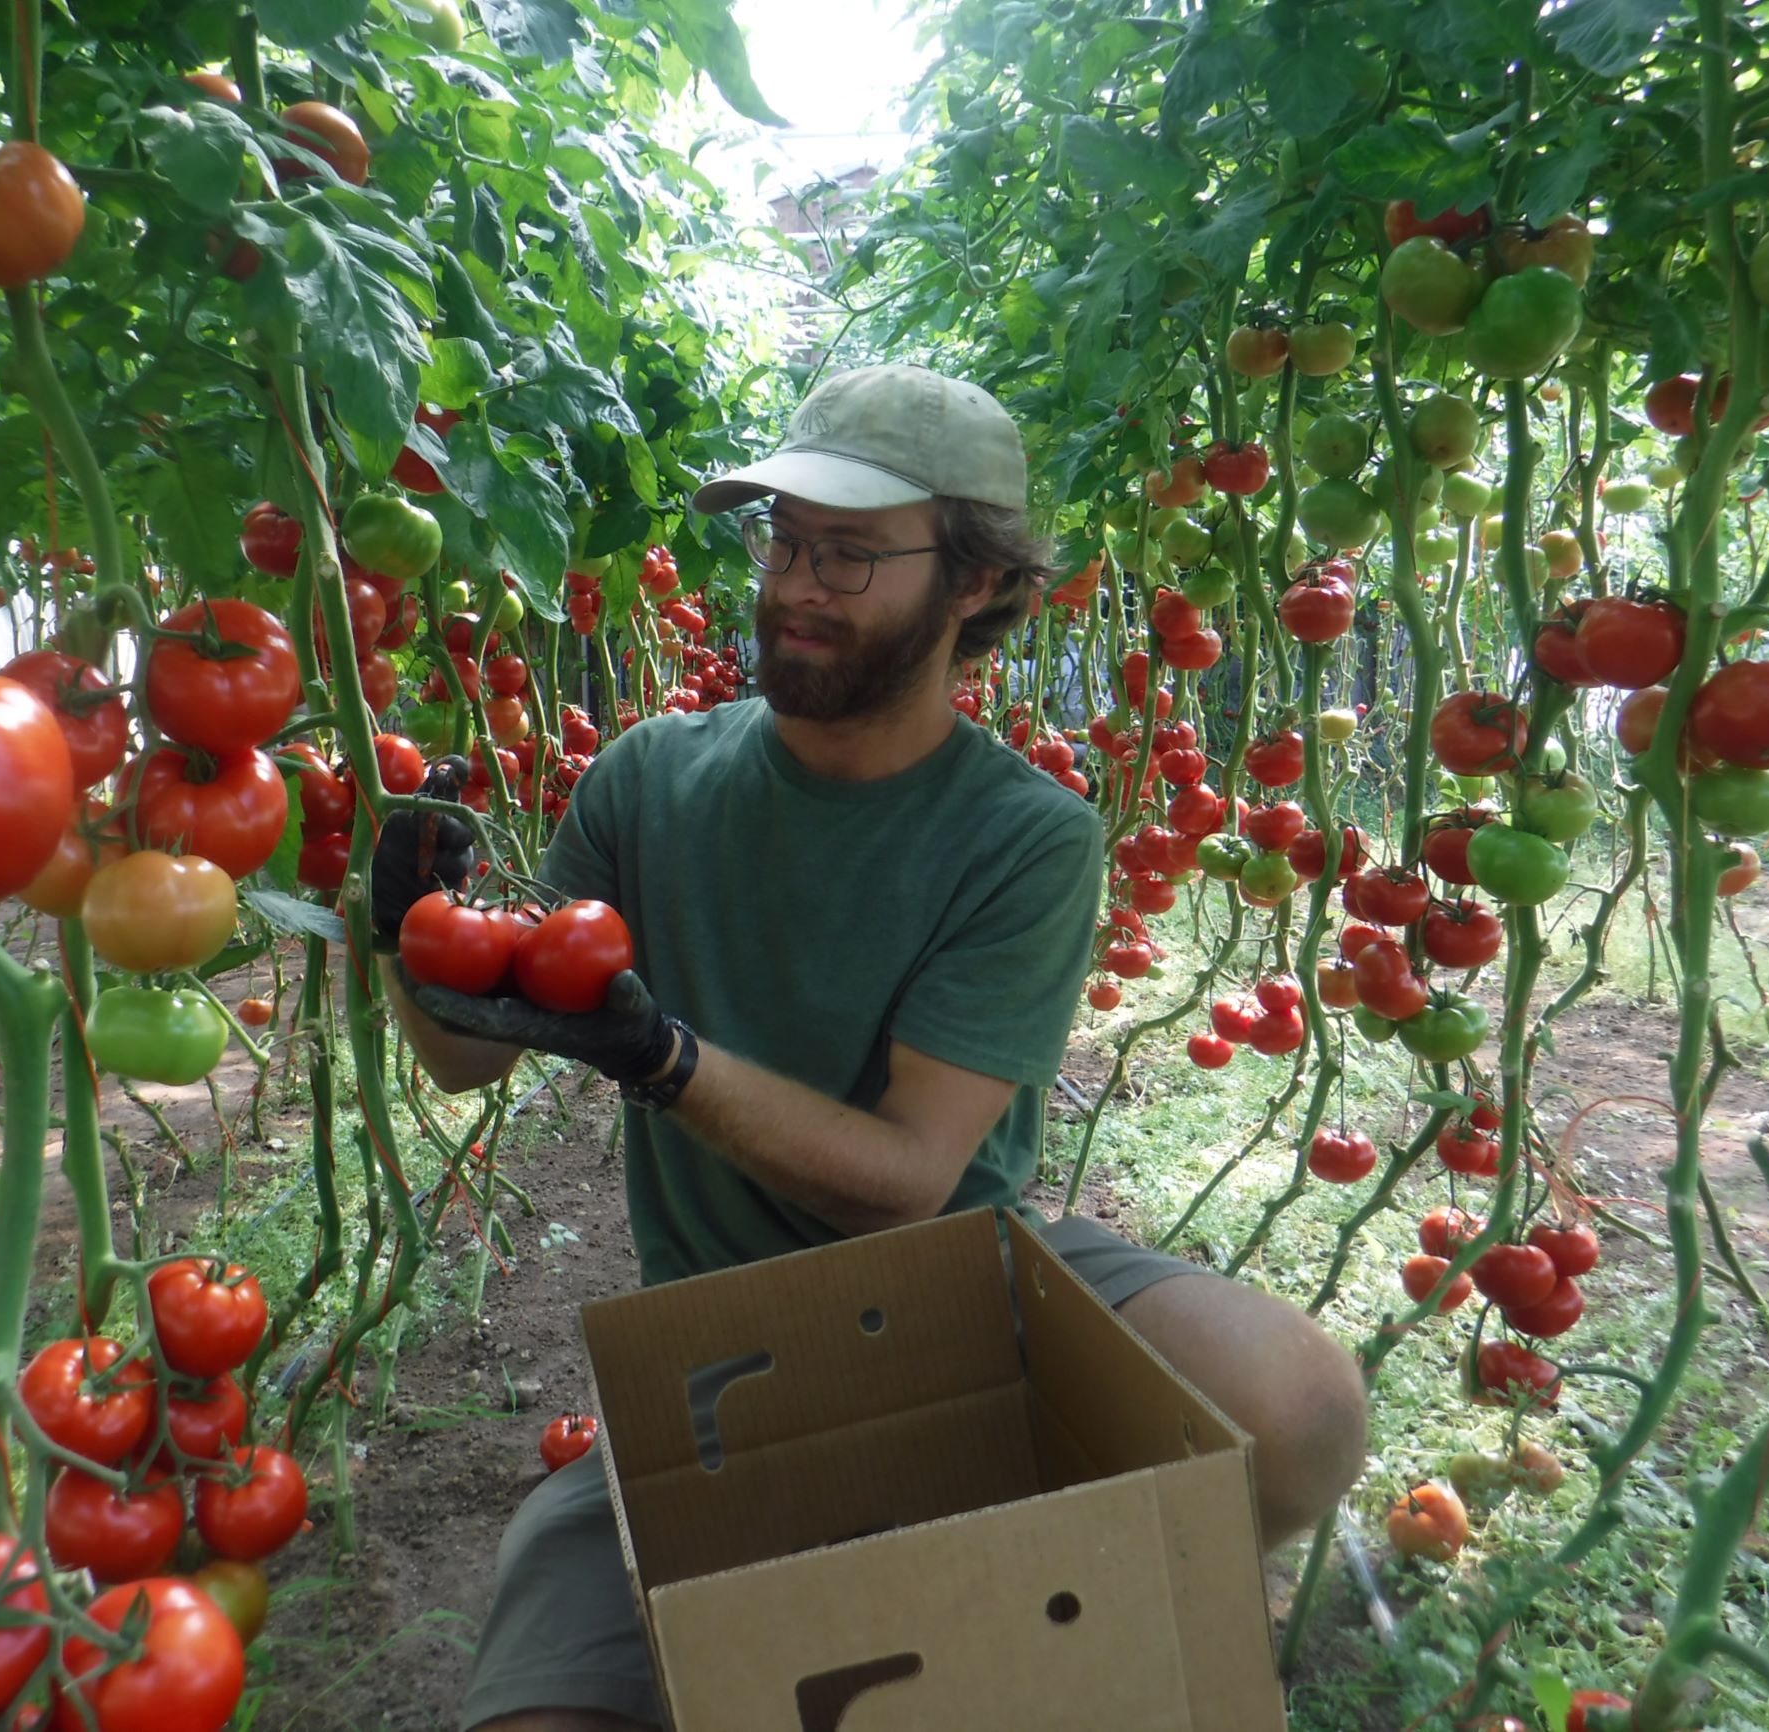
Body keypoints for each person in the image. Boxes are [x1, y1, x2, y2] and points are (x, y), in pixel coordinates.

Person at [371, 363, 1368, 1732]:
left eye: (845, 554)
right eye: (781, 543)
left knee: (1296, 1404)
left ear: (973, 582)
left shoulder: (1025, 836)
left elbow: (907, 1176)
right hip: (716, 1339)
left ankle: (1074, 1598)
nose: (791, 587)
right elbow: (467, 1063)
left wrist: (661, 1059)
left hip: (962, 1284)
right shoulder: (645, 782)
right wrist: (411, 948)